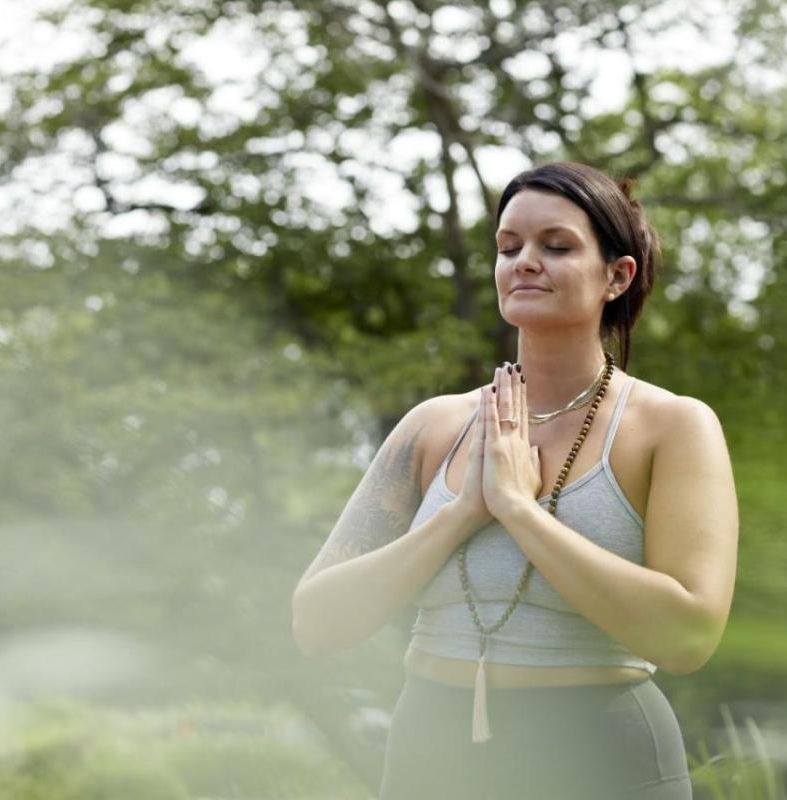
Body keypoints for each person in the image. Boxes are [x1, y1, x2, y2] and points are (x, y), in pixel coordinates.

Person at [292, 162, 738, 799]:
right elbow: (317, 624)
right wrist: (462, 514)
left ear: (617, 275)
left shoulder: (671, 427)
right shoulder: (432, 427)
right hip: (432, 755)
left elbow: (689, 637)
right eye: (509, 247)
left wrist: (520, 512)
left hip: (603, 760)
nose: (525, 261)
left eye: (555, 246)